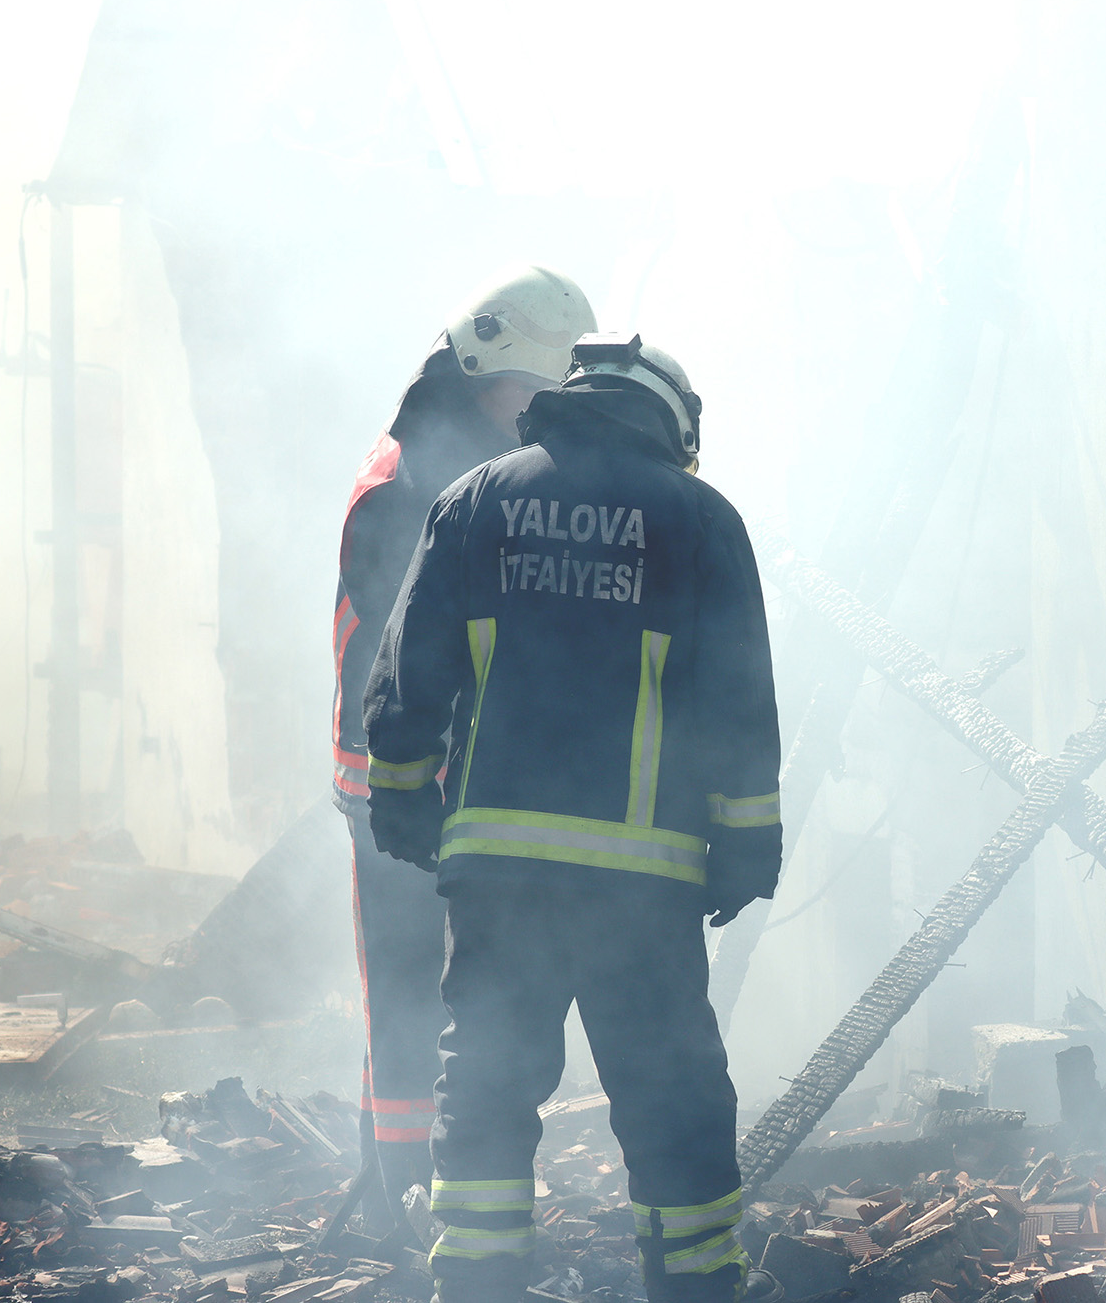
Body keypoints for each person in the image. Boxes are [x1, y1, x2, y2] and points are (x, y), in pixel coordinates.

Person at [362, 333, 783, 1303]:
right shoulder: (700, 518)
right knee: (672, 1097)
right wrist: (745, 842)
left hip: (499, 875)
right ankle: (695, 1288)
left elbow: (411, 664)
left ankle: (477, 1284)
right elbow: (738, 700)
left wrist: (402, 794)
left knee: (487, 1087)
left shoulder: (477, 499)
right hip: (643, 885)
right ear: (671, 422)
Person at [332, 267, 597, 1226]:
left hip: (460, 780)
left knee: (450, 995)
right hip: (397, 781)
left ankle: (417, 1181)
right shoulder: (408, 486)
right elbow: (404, 652)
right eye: (531, 391)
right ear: (484, 370)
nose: (539, 414)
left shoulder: (472, 456)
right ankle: (404, 1194)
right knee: (407, 993)